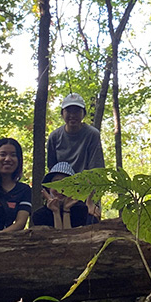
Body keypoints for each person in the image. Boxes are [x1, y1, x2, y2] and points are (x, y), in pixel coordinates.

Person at [46, 93, 105, 221]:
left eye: (77, 111)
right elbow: (52, 169)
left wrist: (91, 202)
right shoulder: (54, 137)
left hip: (86, 192)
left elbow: (96, 171)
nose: (72, 115)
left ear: (83, 113)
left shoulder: (92, 135)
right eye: (68, 111)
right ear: (62, 113)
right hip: (61, 194)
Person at [32, 162, 89, 229]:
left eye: (66, 184)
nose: (60, 189)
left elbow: (69, 237)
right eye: (56, 183)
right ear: (48, 187)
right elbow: (56, 237)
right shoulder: (39, 215)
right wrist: (56, 212)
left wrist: (66, 210)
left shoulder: (81, 210)